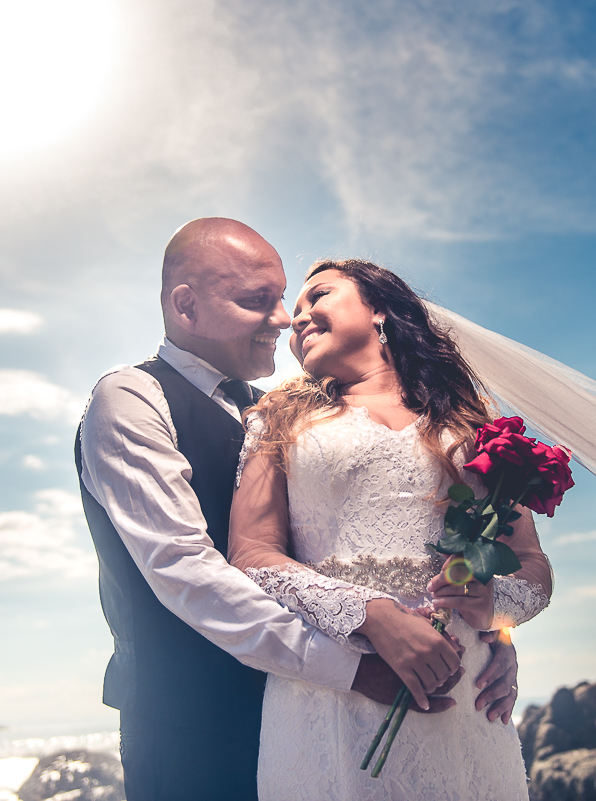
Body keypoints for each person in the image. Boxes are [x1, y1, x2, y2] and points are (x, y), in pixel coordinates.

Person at [77, 221, 523, 801]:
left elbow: (424, 536)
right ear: (186, 307)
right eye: (257, 300)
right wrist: (355, 667)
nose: (284, 318)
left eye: (284, 297)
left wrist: (492, 633)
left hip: (305, 710)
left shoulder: (283, 413)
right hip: (193, 726)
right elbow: (184, 569)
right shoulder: (131, 399)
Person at [230, 259, 554, 800]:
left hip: (465, 695)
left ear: (379, 308)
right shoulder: (278, 416)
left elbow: (531, 565)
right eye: (296, 309)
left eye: (318, 296)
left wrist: (494, 609)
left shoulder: (471, 424)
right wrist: (369, 614)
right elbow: (250, 553)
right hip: (334, 694)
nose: (297, 318)